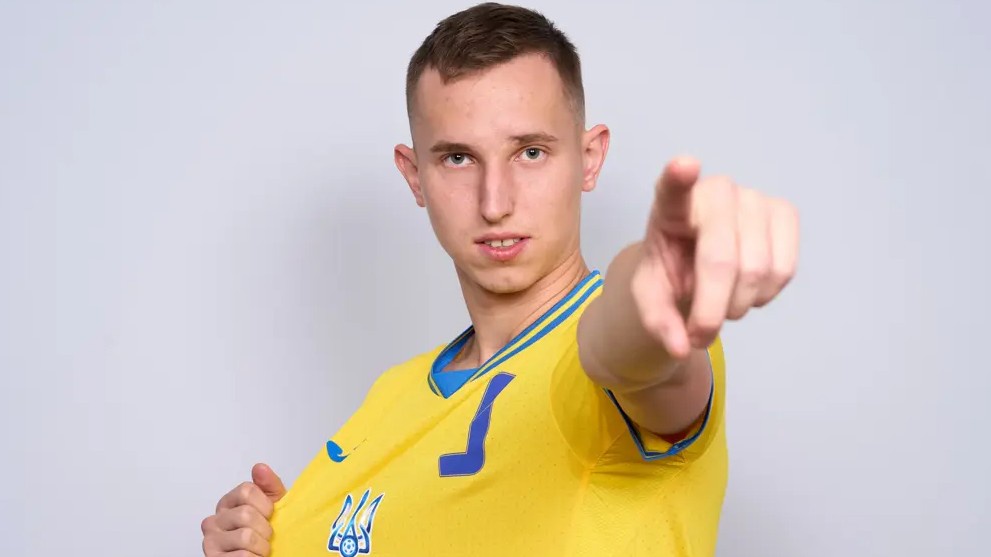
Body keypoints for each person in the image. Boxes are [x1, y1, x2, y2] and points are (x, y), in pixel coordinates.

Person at [200, 3, 799, 556]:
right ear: (414, 175)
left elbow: (629, 353)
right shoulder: (391, 396)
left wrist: (653, 284)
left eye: (530, 152)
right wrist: (269, 537)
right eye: (458, 158)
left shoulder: (611, 359)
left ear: (589, 158)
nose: (495, 202)